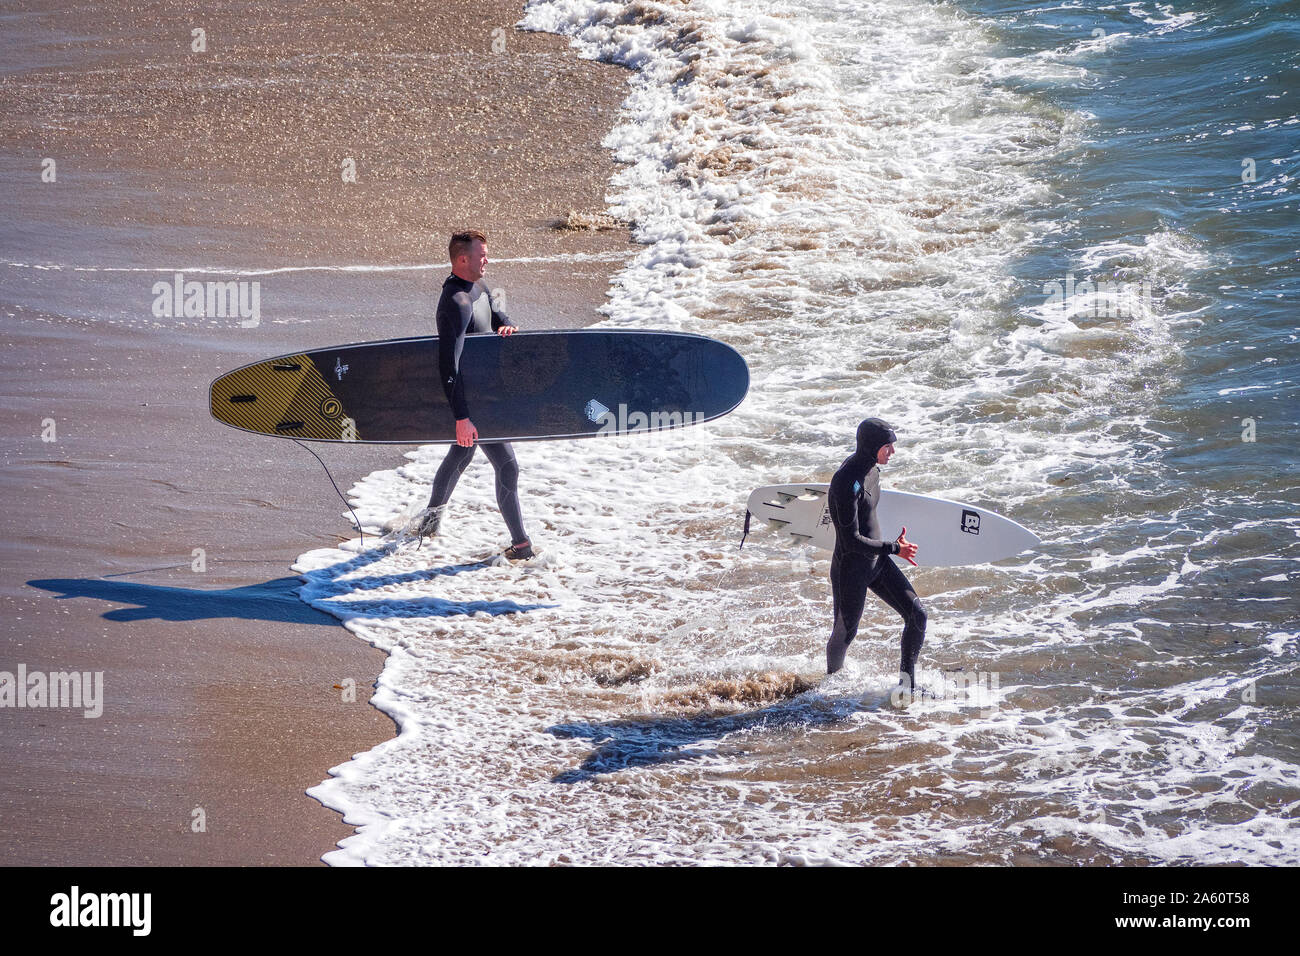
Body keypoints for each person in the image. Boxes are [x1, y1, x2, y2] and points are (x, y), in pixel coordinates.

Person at [417, 230, 533, 560]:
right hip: (473, 403)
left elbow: (496, 314)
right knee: (507, 467)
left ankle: (428, 525)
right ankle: (521, 545)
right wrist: (462, 418)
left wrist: (506, 326)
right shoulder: (455, 303)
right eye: (482, 255)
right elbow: (447, 366)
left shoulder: (477, 287)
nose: (487, 260)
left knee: (462, 456)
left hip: (484, 397)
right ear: (462, 259)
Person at [825, 418, 926, 696]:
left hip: (876, 562)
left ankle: (907, 688)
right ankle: (830, 687)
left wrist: (890, 548)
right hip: (851, 568)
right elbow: (851, 540)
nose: (892, 452)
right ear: (871, 447)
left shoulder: (873, 469)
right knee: (844, 635)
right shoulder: (846, 482)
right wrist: (895, 549)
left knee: (917, 616)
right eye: (887, 446)